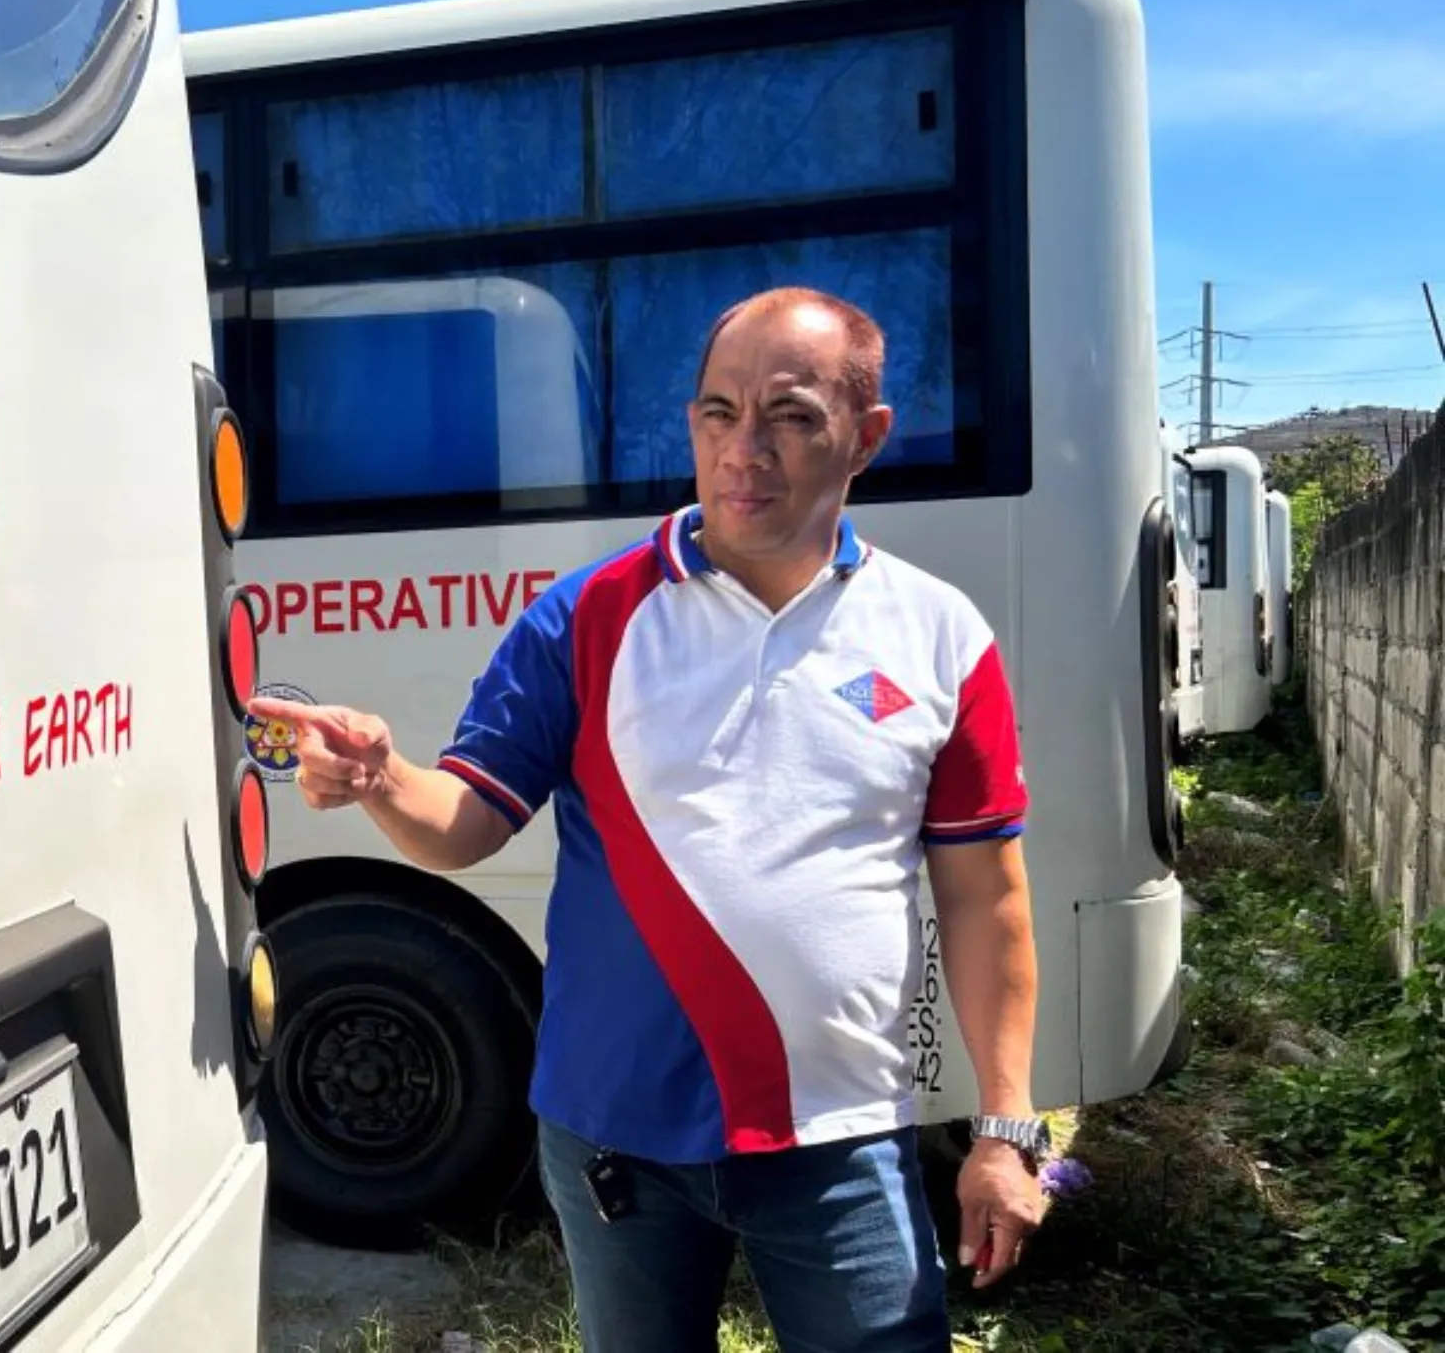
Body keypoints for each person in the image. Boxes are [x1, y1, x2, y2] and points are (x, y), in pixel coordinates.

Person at [248, 287, 1048, 1352]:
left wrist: (1003, 1129)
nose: (744, 451)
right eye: (719, 412)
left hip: (844, 1137)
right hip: (616, 1141)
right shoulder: (586, 617)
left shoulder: (941, 636)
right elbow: (467, 824)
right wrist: (385, 776)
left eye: (792, 416)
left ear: (867, 437)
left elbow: (986, 896)